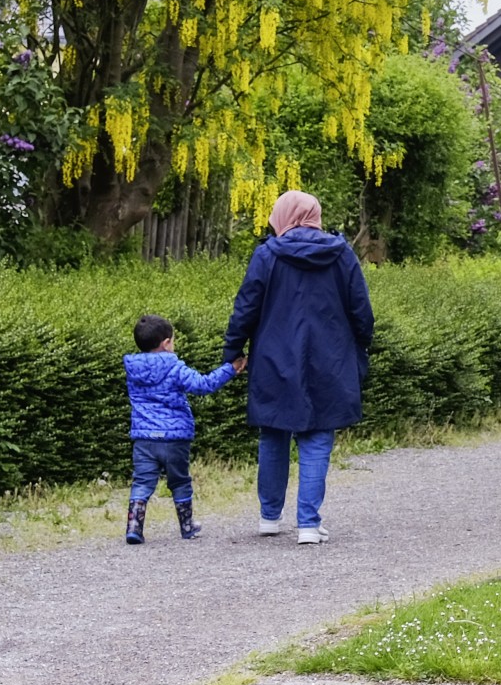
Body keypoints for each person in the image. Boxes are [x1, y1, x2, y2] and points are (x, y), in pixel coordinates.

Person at [223, 190, 374, 545]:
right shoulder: (341, 254)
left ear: (282, 216)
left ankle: (269, 517)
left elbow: (246, 307)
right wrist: (360, 346)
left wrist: (233, 349)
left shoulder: (267, 255)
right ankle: (308, 523)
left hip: (274, 358)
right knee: (318, 437)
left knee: (274, 432)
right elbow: (361, 309)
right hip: (330, 358)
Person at [123, 314, 244, 545]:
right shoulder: (174, 367)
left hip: (144, 437)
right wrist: (230, 369)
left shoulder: (133, 368)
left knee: (142, 482)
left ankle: (134, 528)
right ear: (166, 343)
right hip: (174, 438)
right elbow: (203, 385)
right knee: (179, 481)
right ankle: (187, 526)